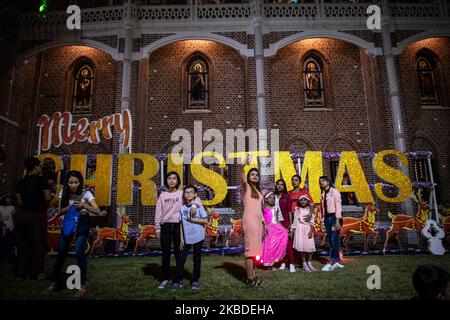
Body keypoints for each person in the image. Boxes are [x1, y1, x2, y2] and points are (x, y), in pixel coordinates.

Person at [48, 170, 101, 296]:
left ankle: (82, 285)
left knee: (79, 252)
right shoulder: (63, 192)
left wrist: (84, 205)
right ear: (67, 183)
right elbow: (60, 211)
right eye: (71, 182)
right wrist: (71, 207)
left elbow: (97, 210)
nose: (73, 185)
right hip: (69, 222)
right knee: (61, 252)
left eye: (76, 182)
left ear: (80, 182)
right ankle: (54, 282)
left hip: (82, 222)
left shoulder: (86, 193)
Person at [155, 171, 201, 289]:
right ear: (166, 181)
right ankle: (165, 278)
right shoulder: (162, 195)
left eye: (174, 178)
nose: (171, 180)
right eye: (169, 178)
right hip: (165, 225)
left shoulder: (182, 194)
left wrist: (195, 205)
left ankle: (178, 279)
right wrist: (157, 227)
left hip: (178, 226)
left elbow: (196, 199)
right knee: (165, 253)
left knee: (178, 253)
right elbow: (158, 211)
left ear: (177, 181)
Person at [15, 157, 51, 281]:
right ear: (35, 166)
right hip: (37, 215)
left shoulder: (20, 182)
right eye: (40, 165)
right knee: (38, 243)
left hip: (23, 215)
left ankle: (20, 273)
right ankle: (37, 272)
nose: (41, 168)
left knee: (23, 244)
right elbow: (47, 198)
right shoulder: (42, 181)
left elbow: (19, 200)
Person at [172, 185, 208, 291]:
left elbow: (205, 221)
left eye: (191, 192)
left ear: (195, 194)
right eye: (186, 192)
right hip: (186, 237)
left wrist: (193, 220)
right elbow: (181, 224)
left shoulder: (198, 206)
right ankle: (177, 281)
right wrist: (182, 239)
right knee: (181, 259)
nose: (188, 194)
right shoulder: (182, 208)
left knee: (196, 259)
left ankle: (195, 280)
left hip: (198, 236)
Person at [240, 159, 264, 287]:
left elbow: (260, 209)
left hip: (258, 223)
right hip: (249, 221)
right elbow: (243, 179)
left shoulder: (258, 190)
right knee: (250, 250)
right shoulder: (247, 187)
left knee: (255, 251)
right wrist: (244, 166)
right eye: (252, 174)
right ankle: (249, 279)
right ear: (249, 177)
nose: (255, 176)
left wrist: (264, 222)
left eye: (256, 174)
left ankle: (253, 275)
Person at [319, 176, 344, 271]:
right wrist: (322, 220)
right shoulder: (323, 194)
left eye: (323, 181)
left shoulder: (334, 191)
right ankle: (337, 261)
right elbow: (323, 209)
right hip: (327, 218)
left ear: (328, 182)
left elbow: (338, 206)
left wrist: (337, 221)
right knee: (331, 240)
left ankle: (331, 261)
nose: (321, 182)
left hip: (334, 218)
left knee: (334, 240)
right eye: (320, 181)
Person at [288, 174, 312, 270]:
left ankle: (305, 262)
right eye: (293, 180)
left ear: (299, 181)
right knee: (296, 240)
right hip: (294, 217)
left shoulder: (304, 191)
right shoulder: (289, 193)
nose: (294, 181)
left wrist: (310, 214)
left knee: (303, 240)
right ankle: (297, 261)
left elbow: (311, 204)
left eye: (296, 180)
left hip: (303, 216)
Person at [261, 192, 288, 269]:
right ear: (266, 199)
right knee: (269, 246)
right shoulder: (263, 208)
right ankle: (268, 263)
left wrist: (283, 228)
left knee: (283, 235)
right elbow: (262, 218)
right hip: (268, 228)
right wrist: (264, 225)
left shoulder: (276, 208)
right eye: (270, 198)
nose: (272, 199)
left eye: (273, 198)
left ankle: (274, 261)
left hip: (276, 227)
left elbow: (277, 220)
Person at [274, 179, 295, 272]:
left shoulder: (286, 196)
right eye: (278, 184)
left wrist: (290, 223)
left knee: (288, 244)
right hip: (275, 223)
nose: (279, 186)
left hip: (285, 222)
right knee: (279, 244)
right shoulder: (273, 196)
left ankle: (291, 264)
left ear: (284, 186)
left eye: (281, 185)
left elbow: (290, 211)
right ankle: (282, 263)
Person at [292, 195, 317, 272]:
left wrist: (311, 231)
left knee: (310, 247)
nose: (303, 201)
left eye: (305, 200)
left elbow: (312, 221)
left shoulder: (310, 210)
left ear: (307, 201)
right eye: (301, 200)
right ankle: (304, 264)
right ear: (299, 202)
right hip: (300, 229)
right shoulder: (298, 210)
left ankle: (309, 263)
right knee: (302, 247)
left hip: (308, 229)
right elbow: (295, 221)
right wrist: (292, 231)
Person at [0, 193, 16, 259]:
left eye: (10, 198)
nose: (9, 199)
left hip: (10, 226)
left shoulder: (12, 207)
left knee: (10, 241)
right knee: (4, 241)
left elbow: (13, 217)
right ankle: (4, 254)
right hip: (2, 227)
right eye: (8, 198)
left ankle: (10, 253)